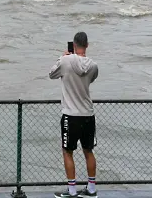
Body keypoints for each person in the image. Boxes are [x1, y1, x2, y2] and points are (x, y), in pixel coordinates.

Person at [48, 31, 99, 198]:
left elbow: (52, 74)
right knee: (88, 150)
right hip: (88, 114)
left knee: (67, 151)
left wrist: (62, 57)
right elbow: (90, 80)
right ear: (87, 45)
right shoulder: (93, 65)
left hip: (71, 115)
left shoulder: (65, 61)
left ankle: (72, 190)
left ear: (74, 45)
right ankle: (91, 189)